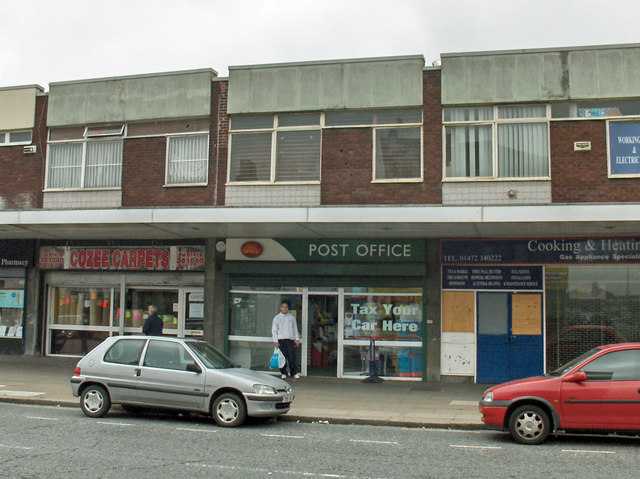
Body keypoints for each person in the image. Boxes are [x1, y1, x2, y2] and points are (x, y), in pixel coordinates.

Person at [272, 301, 301, 379]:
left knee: (292, 357)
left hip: (290, 340)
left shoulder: (291, 317)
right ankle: (284, 373)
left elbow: (295, 329)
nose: (285, 308)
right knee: (282, 358)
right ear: (281, 308)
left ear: (288, 308)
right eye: (283, 307)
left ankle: (294, 372)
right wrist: (275, 341)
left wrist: (297, 339)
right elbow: (274, 330)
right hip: (281, 340)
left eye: (286, 307)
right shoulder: (277, 318)